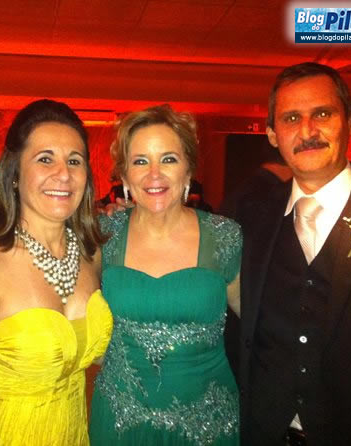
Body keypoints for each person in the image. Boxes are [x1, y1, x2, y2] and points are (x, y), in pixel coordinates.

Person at [234, 62, 351, 445]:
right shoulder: (249, 217)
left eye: (322, 114)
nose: (308, 131)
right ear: (273, 134)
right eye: (292, 118)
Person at [0, 99, 113, 446]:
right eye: (45, 159)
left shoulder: (91, 254)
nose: (63, 174)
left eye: (74, 161)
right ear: (15, 173)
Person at [90, 104, 241, 445]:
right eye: (140, 161)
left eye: (168, 159)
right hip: (120, 424)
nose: (154, 174)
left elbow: (262, 331)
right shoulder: (102, 235)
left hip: (208, 427)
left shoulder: (225, 236)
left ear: (188, 169)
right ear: (124, 175)